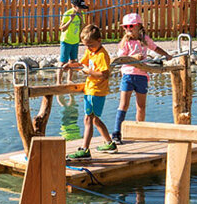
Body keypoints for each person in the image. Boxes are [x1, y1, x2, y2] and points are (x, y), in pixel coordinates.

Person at [112, 13, 170, 145]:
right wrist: (134, 59)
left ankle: (140, 130)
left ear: (138, 26)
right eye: (125, 27)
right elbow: (121, 59)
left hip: (142, 75)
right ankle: (116, 132)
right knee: (124, 104)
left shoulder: (144, 39)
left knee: (141, 106)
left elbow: (155, 48)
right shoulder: (125, 42)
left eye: (131, 26)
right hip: (128, 75)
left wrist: (166, 55)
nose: (128, 29)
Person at [63, 23, 116, 158]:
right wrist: (70, 65)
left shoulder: (102, 55)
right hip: (90, 89)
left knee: (88, 119)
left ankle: (85, 149)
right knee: (95, 120)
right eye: (86, 45)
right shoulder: (90, 52)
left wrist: (89, 72)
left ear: (99, 41)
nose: (88, 48)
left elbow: (105, 74)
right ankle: (109, 143)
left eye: (91, 45)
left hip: (97, 91)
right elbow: (82, 64)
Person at [56, 0, 88, 83]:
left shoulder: (81, 14)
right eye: (79, 8)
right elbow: (62, 28)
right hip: (66, 41)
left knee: (73, 62)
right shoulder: (67, 14)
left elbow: (83, 27)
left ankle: (69, 80)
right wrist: (70, 19)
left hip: (75, 41)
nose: (81, 10)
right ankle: (58, 81)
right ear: (73, 6)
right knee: (63, 62)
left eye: (82, 8)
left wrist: (81, 19)